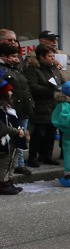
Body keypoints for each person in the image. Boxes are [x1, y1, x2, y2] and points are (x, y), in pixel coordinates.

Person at [24, 43, 64, 167]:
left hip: (53, 106)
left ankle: (47, 155)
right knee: (39, 133)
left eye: (53, 56)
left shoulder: (54, 69)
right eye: (50, 56)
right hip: (40, 106)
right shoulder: (33, 70)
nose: (53, 58)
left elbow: (61, 82)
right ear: (41, 57)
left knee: (51, 133)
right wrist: (50, 90)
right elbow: (33, 87)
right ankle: (32, 156)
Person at [0, 42, 33, 175]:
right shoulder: (2, 70)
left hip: (22, 109)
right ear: (3, 56)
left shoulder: (15, 69)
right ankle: (10, 173)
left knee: (20, 137)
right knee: (12, 140)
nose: (16, 59)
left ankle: (18, 165)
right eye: (13, 56)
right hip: (11, 109)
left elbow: (25, 88)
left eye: (17, 56)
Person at [0, 71, 28, 194]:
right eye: (9, 91)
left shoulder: (8, 107)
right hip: (5, 139)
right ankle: (3, 184)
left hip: (14, 138)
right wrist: (17, 131)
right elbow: (3, 127)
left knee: (12, 161)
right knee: (4, 163)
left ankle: (9, 181)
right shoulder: (1, 110)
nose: (11, 93)